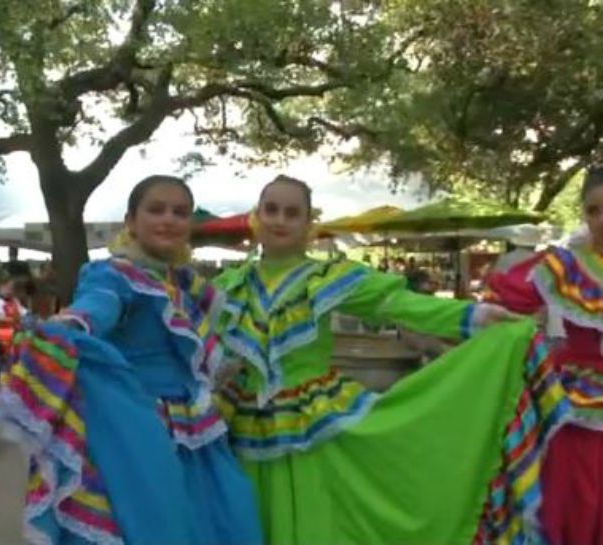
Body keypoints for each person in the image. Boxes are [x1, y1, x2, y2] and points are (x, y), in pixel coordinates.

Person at [213, 174, 567, 545]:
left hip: (310, 422)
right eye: (272, 210)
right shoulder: (230, 285)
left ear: (308, 224)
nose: (280, 220)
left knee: (311, 514)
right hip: (243, 420)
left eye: (292, 213)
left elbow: (399, 305)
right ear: (256, 215)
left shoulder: (325, 278)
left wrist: (474, 317)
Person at [0, 175, 261, 545]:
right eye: (155, 210)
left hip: (192, 423)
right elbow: (100, 304)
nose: (168, 219)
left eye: (179, 212)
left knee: (216, 513)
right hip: (135, 423)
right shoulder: (115, 274)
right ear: (130, 221)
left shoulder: (188, 283)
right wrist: (74, 321)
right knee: (153, 520)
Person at [486, 166, 603, 545]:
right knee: (573, 496)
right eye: (593, 210)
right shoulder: (563, 266)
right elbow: (503, 300)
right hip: (576, 403)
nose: (602, 219)